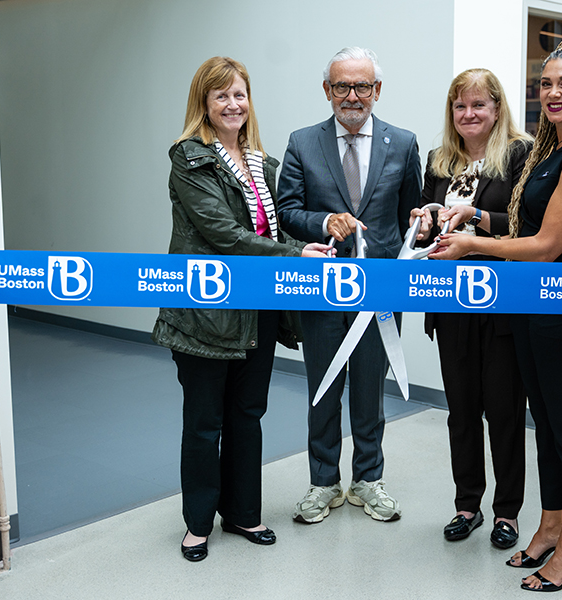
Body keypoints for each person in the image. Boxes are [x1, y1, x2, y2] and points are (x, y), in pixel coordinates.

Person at [430, 37, 562, 592]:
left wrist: (469, 244)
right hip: (536, 307)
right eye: (546, 83)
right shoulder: (550, 148)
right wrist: (476, 218)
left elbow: (544, 245)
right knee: (550, 430)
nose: (555, 92)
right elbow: (520, 226)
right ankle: (550, 527)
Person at [152, 56, 331, 562]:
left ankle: (242, 513)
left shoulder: (262, 162)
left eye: (240, 94)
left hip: (259, 312)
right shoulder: (189, 159)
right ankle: (197, 524)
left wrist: (324, 231)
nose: (233, 104)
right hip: (206, 312)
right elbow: (224, 235)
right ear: (204, 105)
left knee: (248, 414)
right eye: (221, 96)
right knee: (205, 421)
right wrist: (297, 254)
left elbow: (284, 224)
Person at [277, 47, 422, 523]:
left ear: (377, 91)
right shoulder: (302, 142)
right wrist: (324, 222)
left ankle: (367, 480)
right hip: (321, 293)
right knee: (322, 390)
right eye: (342, 86)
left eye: (363, 86)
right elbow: (287, 212)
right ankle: (323, 484)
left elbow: (409, 218)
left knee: (367, 391)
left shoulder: (402, 143)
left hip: (379, 295)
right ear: (327, 91)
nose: (353, 96)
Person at [409, 69, 532, 548]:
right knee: (460, 412)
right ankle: (467, 505)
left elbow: (527, 224)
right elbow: (423, 218)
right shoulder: (440, 159)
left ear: (497, 109)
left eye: (478, 105)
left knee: (503, 411)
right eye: (460, 106)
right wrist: (423, 222)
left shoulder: (520, 154)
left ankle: (508, 514)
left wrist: (473, 224)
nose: (469, 114)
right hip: (449, 303)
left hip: (500, 303)